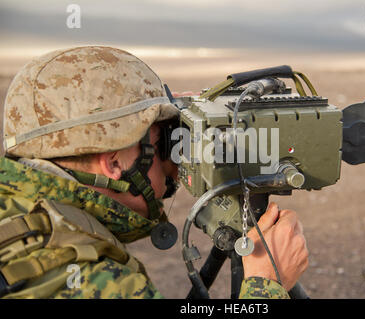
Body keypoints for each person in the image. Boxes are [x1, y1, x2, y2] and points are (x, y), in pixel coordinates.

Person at [0, 46, 308, 299]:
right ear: (115, 162)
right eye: (163, 143)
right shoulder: (98, 283)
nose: (174, 160)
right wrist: (266, 286)